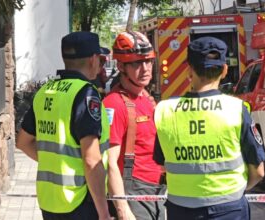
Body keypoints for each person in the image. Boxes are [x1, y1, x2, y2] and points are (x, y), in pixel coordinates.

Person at [153, 36, 265, 220]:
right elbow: (259, 171)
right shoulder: (236, 109)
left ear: (189, 71)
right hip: (230, 209)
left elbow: (162, 163)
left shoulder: (165, 111)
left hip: (182, 211)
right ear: (224, 70)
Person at [16, 31, 112, 220]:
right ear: (93, 59)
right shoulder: (85, 94)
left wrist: (57, 165)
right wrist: (104, 212)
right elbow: (91, 160)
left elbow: (23, 143)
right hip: (79, 201)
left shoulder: (46, 91)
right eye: (100, 60)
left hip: (49, 201)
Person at [103, 31, 166, 220]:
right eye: (137, 63)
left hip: (157, 190)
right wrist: (123, 211)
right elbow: (109, 163)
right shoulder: (114, 103)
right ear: (121, 66)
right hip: (133, 193)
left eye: (148, 62)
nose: (145, 69)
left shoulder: (145, 96)